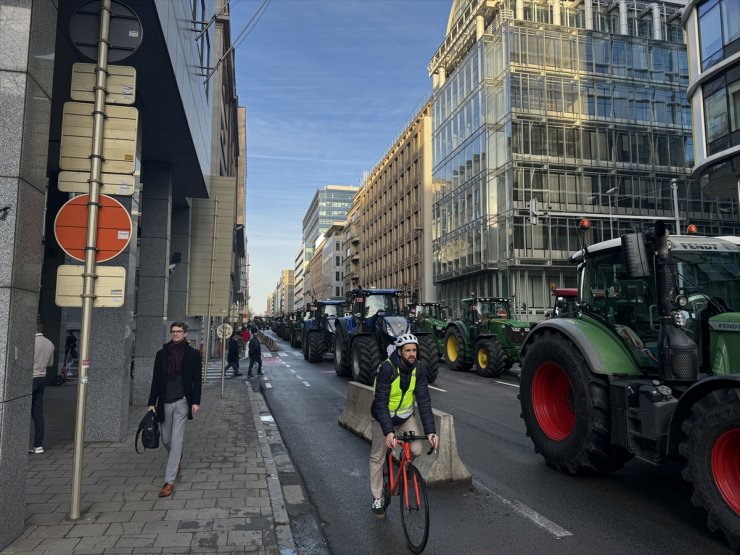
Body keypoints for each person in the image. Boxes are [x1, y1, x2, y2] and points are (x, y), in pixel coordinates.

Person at [369, 333, 439, 517]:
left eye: (414, 350)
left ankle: (404, 467)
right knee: (378, 457)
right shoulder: (387, 368)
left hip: (406, 417)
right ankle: (377, 497)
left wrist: (431, 432)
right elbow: (381, 402)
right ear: (399, 352)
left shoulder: (419, 369)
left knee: (415, 450)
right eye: (407, 350)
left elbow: (424, 401)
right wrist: (388, 432)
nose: (411, 354)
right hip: (382, 417)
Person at [147, 321, 202, 498]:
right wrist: (151, 402)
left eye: (179, 332)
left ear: (185, 334)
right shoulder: (162, 354)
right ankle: (176, 459)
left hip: (182, 402)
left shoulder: (193, 354)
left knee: (177, 440)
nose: (175, 334)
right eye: (173, 331)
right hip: (164, 402)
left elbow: (197, 380)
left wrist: (195, 401)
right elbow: (155, 379)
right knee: (165, 438)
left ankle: (169, 481)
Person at [30, 322, 54, 454]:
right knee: (38, 412)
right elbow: (50, 363)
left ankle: (18, 442)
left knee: (22, 410)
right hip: (42, 378)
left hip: (30, 378)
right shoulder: (50, 343)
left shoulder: (30, 342)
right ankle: (38, 445)